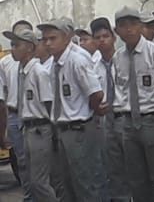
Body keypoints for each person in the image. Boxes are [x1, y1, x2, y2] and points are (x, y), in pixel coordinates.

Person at [112, 8, 154, 202]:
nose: (129, 30)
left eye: (133, 24)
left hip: (153, 119)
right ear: (117, 31)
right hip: (128, 123)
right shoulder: (119, 57)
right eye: (123, 26)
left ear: (141, 26)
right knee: (137, 181)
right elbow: (122, 89)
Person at [39, 17, 105, 202]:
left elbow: (96, 93)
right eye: (45, 39)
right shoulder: (54, 64)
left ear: (67, 38)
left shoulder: (77, 60)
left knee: (86, 183)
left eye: (53, 38)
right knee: (68, 184)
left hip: (79, 129)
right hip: (63, 129)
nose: (48, 43)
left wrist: (89, 112)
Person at [6, 28, 58, 202]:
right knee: (28, 176)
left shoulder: (39, 72)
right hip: (26, 127)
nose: (12, 49)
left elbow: (49, 103)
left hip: (40, 128)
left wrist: (52, 133)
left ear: (29, 47)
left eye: (16, 45)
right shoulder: (22, 71)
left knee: (39, 181)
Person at [92, 16, 132, 202]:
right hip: (105, 121)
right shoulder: (92, 65)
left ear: (113, 37)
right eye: (98, 37)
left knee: (134, 165)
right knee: (113, 168)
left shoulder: (125, 58)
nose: (102, 40)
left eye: (105, 36)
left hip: (125, 117)